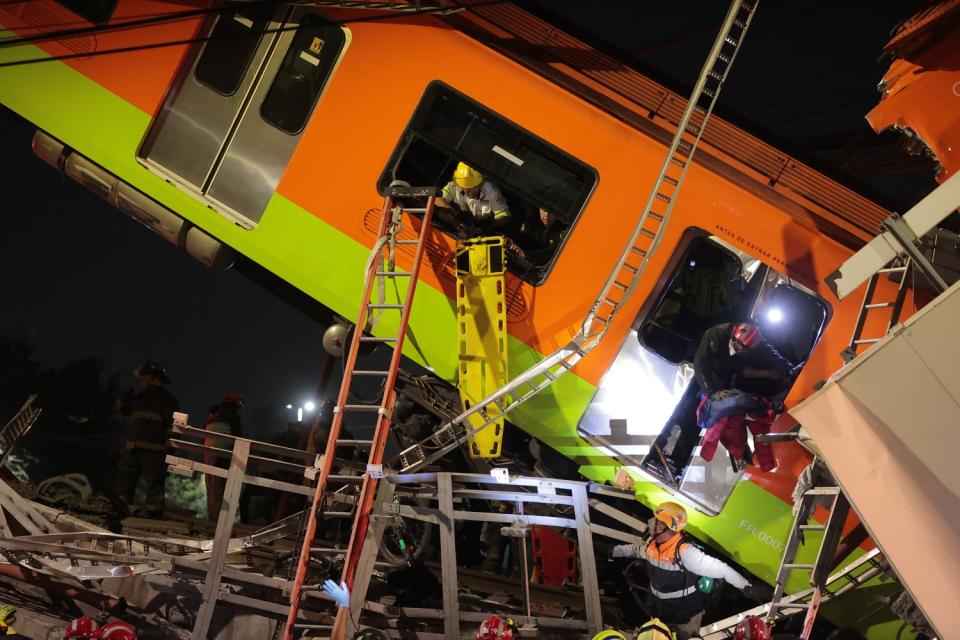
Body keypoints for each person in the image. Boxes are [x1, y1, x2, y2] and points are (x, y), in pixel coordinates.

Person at [611, 502, 764, 640]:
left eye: (656, 520)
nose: (651, 523)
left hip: (684, 615)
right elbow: (636, 550)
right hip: (659, 610)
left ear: (663, 527)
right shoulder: (654, 544)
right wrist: (613, 550)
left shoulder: (686, 553)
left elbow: (721, 569)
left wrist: (746, 586)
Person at [693, 322, 794, 471]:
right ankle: (739, 454)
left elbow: (767, 355)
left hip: (729, 379)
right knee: (727, 411)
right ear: (734, 334)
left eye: (744, 350)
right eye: (738, 347)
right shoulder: (715, 335)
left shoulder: (755, 340)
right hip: (709, 379)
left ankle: (743, 456)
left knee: (738, 410)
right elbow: (700, 364)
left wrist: (787, 368)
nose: (739, 350)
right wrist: (711, 393)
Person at [115, 361, 179, 517]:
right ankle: (119, 510)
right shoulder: (138, 398)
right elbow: (123, 410)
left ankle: (153, 516)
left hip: (154, 452)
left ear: (152, 378)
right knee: (125, 483)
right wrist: (124, 397)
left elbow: (173, 428)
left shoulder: (168, 401)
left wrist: (169, 448)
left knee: (154, 486)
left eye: (144, 378)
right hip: (133, 449)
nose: (142, 381)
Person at [203, 392, 244, 520]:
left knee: (211, 489)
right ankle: (219, 523)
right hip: (223, 458)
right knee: (221, 491)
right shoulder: (233, 416)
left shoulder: (212, 415)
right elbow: (238, 439)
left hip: (208, 457)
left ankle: (212, 518)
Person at [438, 162, 512, 230]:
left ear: (481, 182)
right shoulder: (455, 185)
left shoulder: (492, 193)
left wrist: (490, 227)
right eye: (467, 188)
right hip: (456, 225)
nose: (471, 191)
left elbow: (505, 217)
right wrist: (456, 213)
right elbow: (437, 199)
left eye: (474, 186)